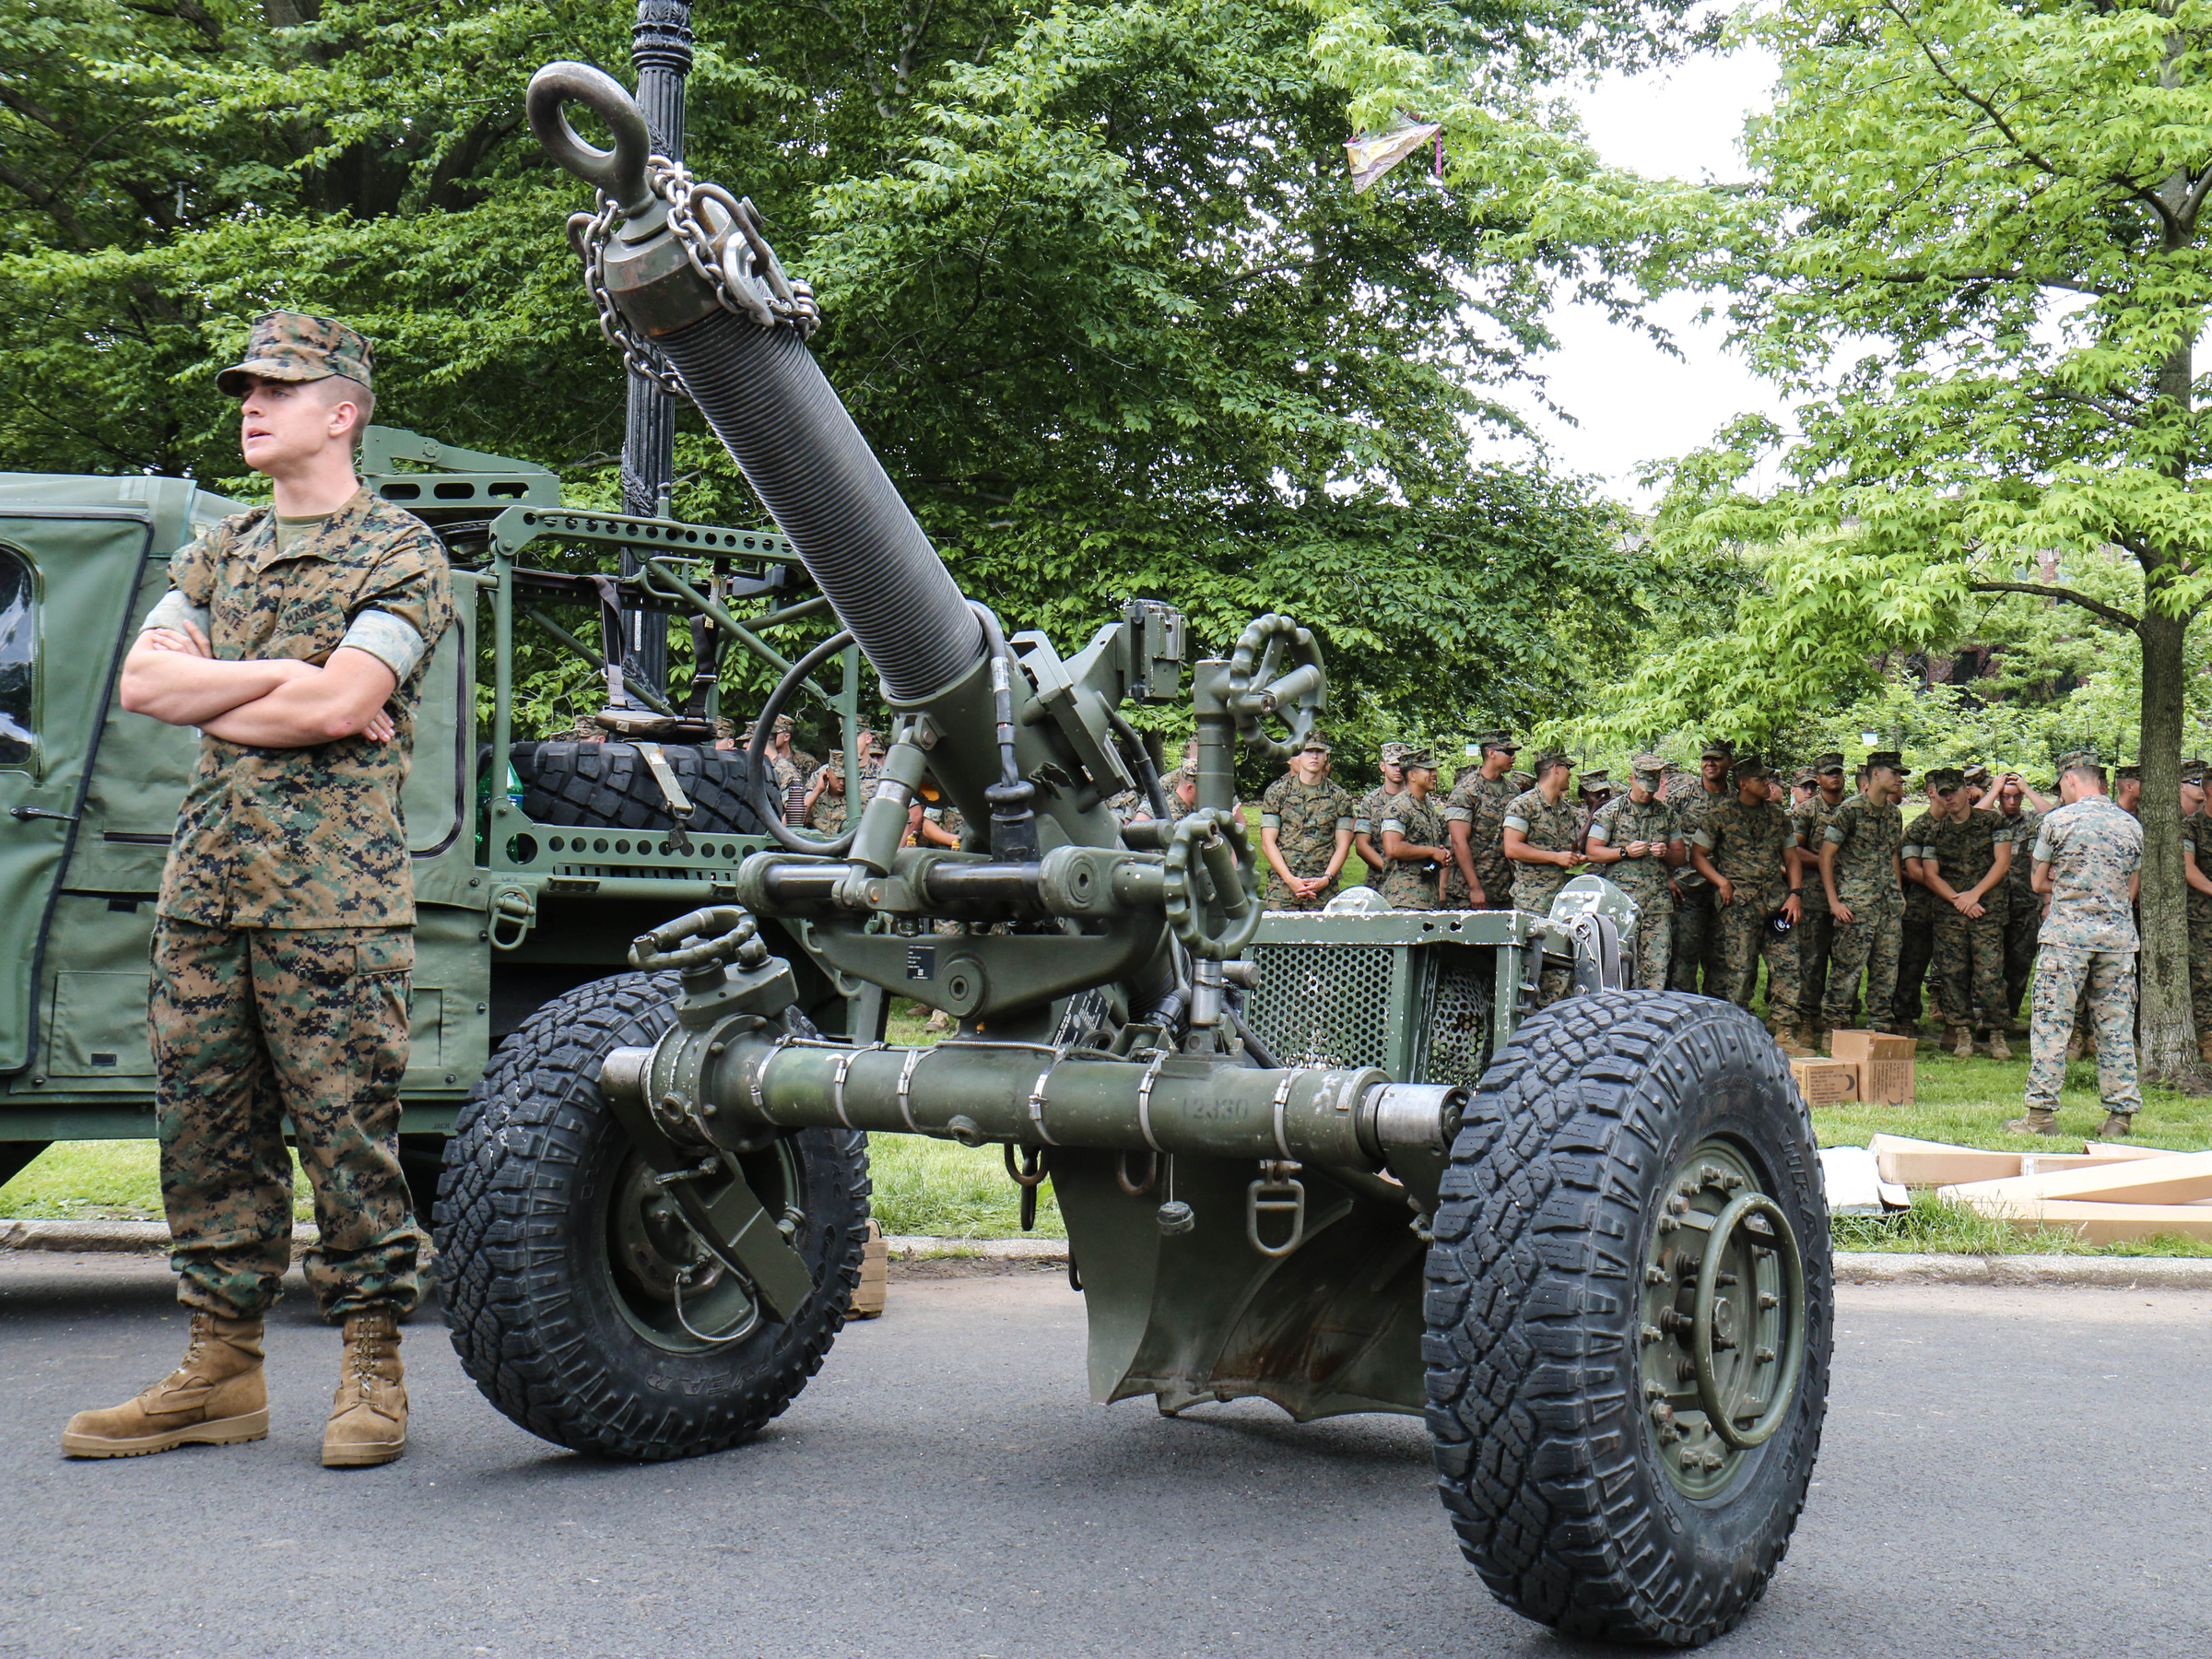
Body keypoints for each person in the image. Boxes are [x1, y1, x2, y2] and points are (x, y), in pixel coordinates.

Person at [66, 312, 454, 1467]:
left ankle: (372, 1364)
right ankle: (222, 1370)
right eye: (247, 388)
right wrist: (287, 670)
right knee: (204, 1132)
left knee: (346, 1136)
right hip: (206, 890)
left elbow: (344, 705)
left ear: (342, 412)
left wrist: (255, 690)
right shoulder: (218, 549)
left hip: (332, 898)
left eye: (278, 389)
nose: (251, 405)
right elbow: (145, 686)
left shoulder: (400, 553)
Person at [2011, 756, 2143, 1137]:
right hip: (2117, 940)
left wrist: (2071, 884)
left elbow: (2037, 882)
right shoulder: (2130, 825)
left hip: (2066, 938)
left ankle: (2040, 1116)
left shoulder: (2057, 821)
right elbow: (2130, 889)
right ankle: (2119, 1117)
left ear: (2071, 780)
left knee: (2052, 1024)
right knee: (2116, 1027)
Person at [1690, 756, 1807, 1050]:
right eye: (1761, 780)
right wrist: (1721, 882)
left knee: (1788, 965)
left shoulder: (1777, 816)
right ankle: (1737, 1034)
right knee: (1740, 971)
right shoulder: (1721, 815)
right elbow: (1697, 855)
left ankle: (1784, 1031)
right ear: (1744, 784)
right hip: (1739, 906)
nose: (1769, 785)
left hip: (1776, 903)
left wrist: (1795, 893)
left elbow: (1791, 857)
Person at [1916, 767, 2016, 1058]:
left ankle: (1996, 1034)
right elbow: (1930, 874)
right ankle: (1962, 1033)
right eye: (1943, 793)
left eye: (1954, 791)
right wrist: (1958, 900)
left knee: (1989, 974)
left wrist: (1975, 894)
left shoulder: (1992, 822)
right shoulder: (1935, 832)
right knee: (1952, 974)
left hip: (1987, 911)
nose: (1949, 798)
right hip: (1951, 915)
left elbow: (2002, 862)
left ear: (1966, 791)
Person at [1818, 751, 1909, 1047]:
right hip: (1856, 905)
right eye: (1894, 773)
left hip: (1887, 906)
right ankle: (1835, 1026)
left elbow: (1892, 854)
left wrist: (1898, 892)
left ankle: (1880, 1029)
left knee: (1886, 970)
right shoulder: (1850, 811)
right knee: (1847, 968)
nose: (1899, 779)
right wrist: (1834, 902)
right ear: (1876, 775)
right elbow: (1826, 856)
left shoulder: (1894, 814)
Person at [1584, 753, 1683, 990]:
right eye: (1643, 787)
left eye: (1652, 789)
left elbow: (1681, 856)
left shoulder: (1667, 815)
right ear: (1631, 779)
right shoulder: (1612, 812)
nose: (1647, 794)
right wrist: (1624, 852)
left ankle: (1650, 1009)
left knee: (1656, 968)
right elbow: (1592, 851)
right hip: (1621, 904)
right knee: (1616, 966)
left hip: (1656, 905)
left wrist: (1665, 853)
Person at [1504, 751, 1587, 1005]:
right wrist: (1555, 857)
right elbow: (1512, 848)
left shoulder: (1567, 811)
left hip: (1561, 904)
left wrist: (1574, 859)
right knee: (1530, 971)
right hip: (1533, 901)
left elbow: (1568, 849)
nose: (1571, 774)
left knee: (1560, 971)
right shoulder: (1523, 805)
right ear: (1555, 769)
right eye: (1567, 768)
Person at [1789, 753, 1852, 1047]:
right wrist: (1826, 862)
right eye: (1828, 773)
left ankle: (1839, 1017)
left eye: (1838, 772)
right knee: (1812, 961)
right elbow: (1794, 851)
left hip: (1848, 894)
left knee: (1845, 960)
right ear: (1818, 779)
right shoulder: (1807, 811)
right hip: (1815, 896)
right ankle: (1806, 1017)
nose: (1834, 777)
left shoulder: (1853, 808)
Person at [1665, 740, 1735, 994]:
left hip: (1725, 893)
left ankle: (1716, 1011)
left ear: (1730, 763)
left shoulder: (1738, 799)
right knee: (1683, 960)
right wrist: (1667, 878)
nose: (1710, 763)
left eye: (1717, 758)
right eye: (1706, 758)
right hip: (1687, 889)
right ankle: (1682, 1011)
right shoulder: (1680, 798)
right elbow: (1659, 837)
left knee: (1722, 961)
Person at [1258, 732, 1354, 909]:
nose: (1314, 756)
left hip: (1323, 891)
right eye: (1308, 751)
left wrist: (1326, 878)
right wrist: (1290, 880)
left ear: (1326, 756)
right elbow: (1267, 842)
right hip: (1282, 889)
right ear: (1298, 756)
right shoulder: (1277, 793)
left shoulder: (1340, 797)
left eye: (1319, 751)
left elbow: (1343, 845)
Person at [1983, 769, 2046, 1028]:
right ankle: (1986, 1014)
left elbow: (2054, 814)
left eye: (2016, 797)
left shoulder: (2031, 820)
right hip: (1993, 903)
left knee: (2020, 961)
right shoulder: (1989, 819)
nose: (2011, 802)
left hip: (2025, 902)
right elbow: (1971, 816)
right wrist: (1993, 791)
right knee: (1990, 962)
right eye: (2006, 797)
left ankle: (2008, 1014)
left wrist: (2028, 789)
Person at [1444, 730, 1519, 909]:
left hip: (1504, 889)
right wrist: (1475, 888)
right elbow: (1459, 842)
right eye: (1508, 752)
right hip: (1468, 892)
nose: (1514, 757)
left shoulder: (1513, 791)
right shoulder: (1466, 791)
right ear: (1491, 753)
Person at [1893, 777, 1943, 1035]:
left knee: (1956, 967)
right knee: (1912, 965)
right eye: (1943, 791)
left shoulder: (1960, 825)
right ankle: (1905, 1017)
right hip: (1921, 908)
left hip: (1954, 909)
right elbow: (1912, 871)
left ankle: (1955, 1019)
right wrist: (1949, 887)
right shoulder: (1918, 829)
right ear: (1931, 792)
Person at [1378, 750, 1453, 910]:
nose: (1434, 774)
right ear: (1411, 775)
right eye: (1429, 770)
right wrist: (1431, 852)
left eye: (1434, 770)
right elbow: (1393, 848)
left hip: (1427, 899)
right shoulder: (1398, 807)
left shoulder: (1427, 807)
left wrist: (1443, 852)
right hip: (1404, 900)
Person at [2181, 765, 2212, 1062]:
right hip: (2203, 918)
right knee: (2204, 979)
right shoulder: (2192, 827)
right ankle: (2207, 1040)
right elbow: (2188, 870)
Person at [1352, 742, 1410, 874]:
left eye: (1402, 765)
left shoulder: (1417, 799)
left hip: (1415, 877)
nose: (1398, 769)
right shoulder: (1370, 801)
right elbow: (1361, 845)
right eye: (1393, 764)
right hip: (1380, 877)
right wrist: (1388, 870)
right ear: (1382, 766)